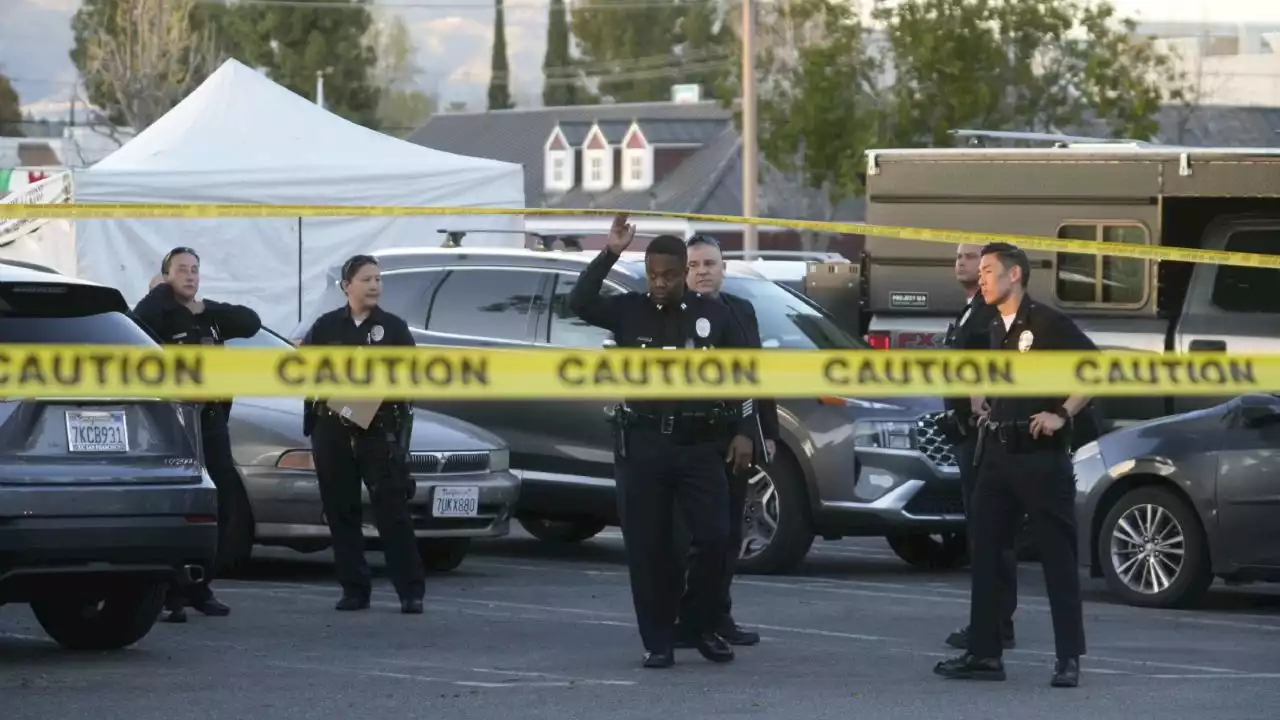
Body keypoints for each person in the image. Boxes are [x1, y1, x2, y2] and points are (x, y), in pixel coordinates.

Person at [569, 214, 756, 669]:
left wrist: (743, 431)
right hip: (644, 445)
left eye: (669, 276)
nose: (659, 283)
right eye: (653, 275)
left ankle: (699, 624)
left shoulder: (714, 314)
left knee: (714, 539)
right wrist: (610, 251)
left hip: (699, 445)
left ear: (685, 275)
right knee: (648, 549)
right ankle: (658, 639)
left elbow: (744, 373)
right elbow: (580, 300)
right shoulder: (628, 310)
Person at [933, 242, 1093, 688]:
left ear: (1015, 275)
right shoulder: (993, 327)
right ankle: (985, 654)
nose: (980, 277)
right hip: (996, 455)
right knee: (984, 552)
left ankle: (1068, 659)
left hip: (1040, 455)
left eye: (987, 270)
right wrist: (977, 392)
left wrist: (1062, 412)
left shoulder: (1046, 321)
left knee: (1057, 558)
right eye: (978, 270)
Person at [133, 246, 262, 623]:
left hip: (210, 419)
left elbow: (251, 322)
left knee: (217, 503)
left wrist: (205, 309)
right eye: (181, 270)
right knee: (180, 506)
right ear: (166, 275)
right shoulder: (159, 312)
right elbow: (137, 321)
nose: (190, 276)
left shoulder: (209, 315)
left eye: (194, 270)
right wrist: (161, 292)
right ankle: (170, 593)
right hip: (174, 421)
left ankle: (200, 586)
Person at [298, 254, 425, 614]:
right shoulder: (326, 326)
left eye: (378, 279)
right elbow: (304, 369)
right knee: (341, 510)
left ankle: (410, 591)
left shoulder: (394, 328)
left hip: (378, 430)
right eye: (366, 279)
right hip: (332, 427)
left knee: (391, 512)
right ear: (346, 286)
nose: (374, 285)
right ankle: (354, 589)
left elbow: (411, 376)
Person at [673, 234, 778, 648]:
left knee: (729, 533)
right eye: (694, 265)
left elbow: (755, 373)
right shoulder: (671, 313)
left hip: (736, 440)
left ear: (723, 268)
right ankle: (686, 619)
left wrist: (762, 431)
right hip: (688, 443)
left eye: (709, 264)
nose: (702, 272)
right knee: (693, 537)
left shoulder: (741, 310)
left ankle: (719, 615)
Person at [936, 243, 1017, 652]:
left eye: (974, 260)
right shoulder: (969, 310)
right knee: (979, 534)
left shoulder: (989, 314)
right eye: (961, 258)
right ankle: (988, 621)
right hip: (964, 435)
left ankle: (995, 624)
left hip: (983, 436)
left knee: (990, 534)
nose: (964, 264)